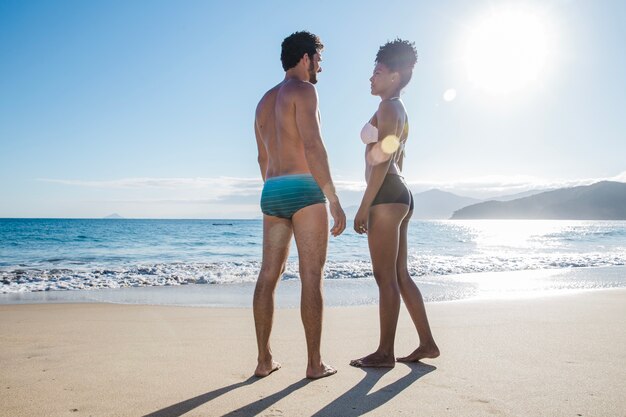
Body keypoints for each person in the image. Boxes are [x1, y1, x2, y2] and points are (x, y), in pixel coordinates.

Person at [253, 31, 346, 379]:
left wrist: (275, 190)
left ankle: (264, 361)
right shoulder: (305, 90)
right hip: (305, 189)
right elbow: (313, 145)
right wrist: (333, 197)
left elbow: (262, 156)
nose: (320, 66)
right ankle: (314, 364)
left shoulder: (263, 101)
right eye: (319, 59)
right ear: (306, 58)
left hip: (272, 189)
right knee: (311, 276)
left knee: (267, 275)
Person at [350, 39, 439, 368]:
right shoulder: (395, 108)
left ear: (394, 76)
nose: (371, 78)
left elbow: (384, 157)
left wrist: (364, 205)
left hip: (386, 195)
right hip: (398, 194)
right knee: (400, 275)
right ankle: (427, 343)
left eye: (377, 72)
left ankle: (385, 353)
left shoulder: (389, 108)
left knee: (385, 277)